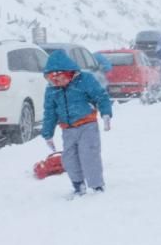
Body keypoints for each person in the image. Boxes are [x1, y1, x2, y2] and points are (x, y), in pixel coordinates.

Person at [41, 51, 113, 195]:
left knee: (89, 155)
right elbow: (50, 112)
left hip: (87, 125)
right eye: (52, 79)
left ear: (68, 73)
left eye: (59, 77)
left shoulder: (85, 80)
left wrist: (106, 113)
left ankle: (96, 185)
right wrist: (48, 134)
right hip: (68, 129)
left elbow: (101, 96)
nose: (56, 82)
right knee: (69, 158)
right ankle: (78, 185)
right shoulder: (52, 90)